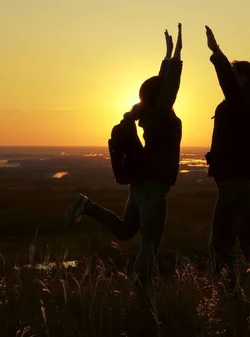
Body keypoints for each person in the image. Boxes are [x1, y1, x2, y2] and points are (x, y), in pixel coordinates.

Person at [65, 24, 183, 286]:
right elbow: (168, 87)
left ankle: (87, 206)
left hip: (140, 187)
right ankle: (141, 295)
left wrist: (167, 56)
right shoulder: (161, 115)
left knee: (126, 231)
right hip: (153, 189)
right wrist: (175, 57)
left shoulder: (147, 113)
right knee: (149, 246)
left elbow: (160, 87)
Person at [204, 25, 250, 286]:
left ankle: (227, 299)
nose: (231, 81)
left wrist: (216, 52)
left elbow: (227, 81)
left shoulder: (239, 101)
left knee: (220, 248)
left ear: (243, 79)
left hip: (235, 185)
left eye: (236, 76)